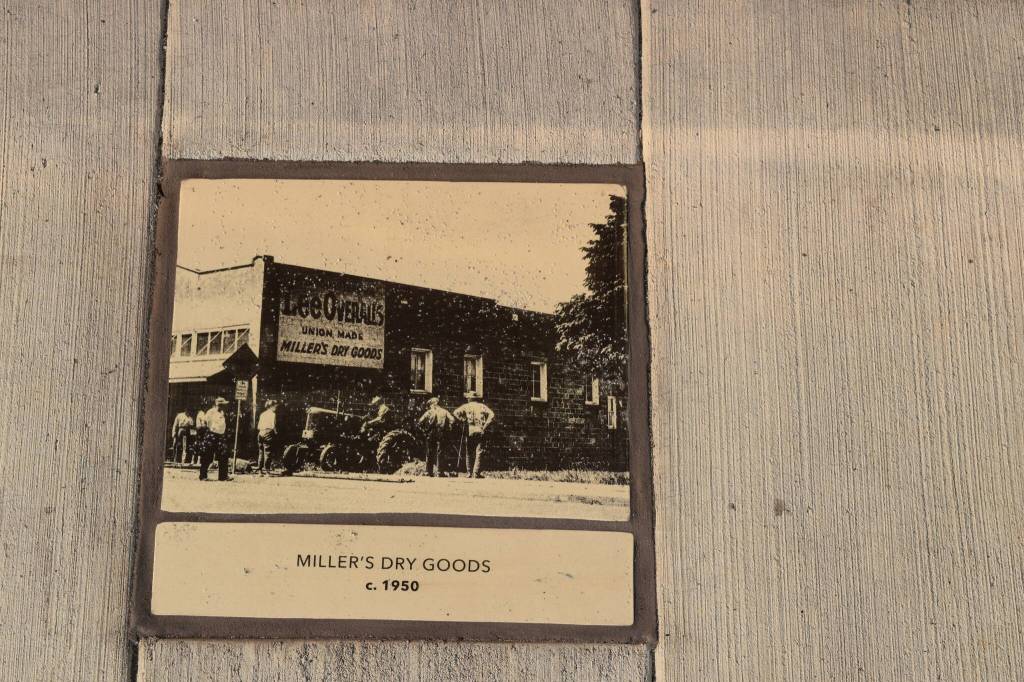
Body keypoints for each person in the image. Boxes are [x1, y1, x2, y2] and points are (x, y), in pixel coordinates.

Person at [453, 395, 494, 478]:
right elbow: (492, 415)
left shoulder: (466, 406)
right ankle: (476, 473)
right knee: (479, 452)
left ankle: (469, 472)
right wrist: (485, 425)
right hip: (480, 429)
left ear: (469, 399)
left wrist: (462, 419)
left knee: (468, 452)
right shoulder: (482, 406)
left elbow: (455, 412)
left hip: (470, 430)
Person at [417, 397, 454, 477]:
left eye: (430, 405)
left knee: (429, 452)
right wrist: (449, 427)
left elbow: (420, 422)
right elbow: (452, 420)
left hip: (431, 433)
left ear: (433, 404)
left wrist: (424, 431)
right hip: (441, 433)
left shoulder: (429, 412)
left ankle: (428, 472)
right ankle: (440, 472)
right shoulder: (445, 411)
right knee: (440, 452)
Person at [202, 397, 230, 481]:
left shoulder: (222, 412)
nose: (225, 406)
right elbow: (204, 421)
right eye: (223, 405)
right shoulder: (211, 412)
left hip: (221, 436)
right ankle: (203, 475)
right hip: (212, 435)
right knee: (208, 456)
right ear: (219, 405)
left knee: (223, 456)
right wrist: (209, 430)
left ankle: (223, 476)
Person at [256, 400, 278, 474]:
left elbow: (258, 426)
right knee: (268, 452)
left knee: (261, 452)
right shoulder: (273, 414)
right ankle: (267, 471)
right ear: (271, 406)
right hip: (268, 433)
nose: (276, 407)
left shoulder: (262, 414)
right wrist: (275, 432)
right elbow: (273, 425)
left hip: (260, 433)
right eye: (275, 406)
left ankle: (260, 470)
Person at [194, 408, 209, 474]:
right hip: (201, 431)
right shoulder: (201, 414)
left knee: (200, 446)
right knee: (201, 446)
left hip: (200, 430)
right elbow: (203, 424)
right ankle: (197, 460)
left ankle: (197, 460)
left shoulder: (201, 413)